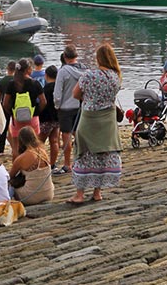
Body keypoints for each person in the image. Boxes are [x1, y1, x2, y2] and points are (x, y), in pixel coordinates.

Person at [68, 43, 123, 203]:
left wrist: (90, 99)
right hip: (107, 121)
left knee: (83, 154)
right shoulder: (116, 77)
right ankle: (97, 192)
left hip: (89, 119)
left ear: (98, 58)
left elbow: (75, 94)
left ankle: (79, 194)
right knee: (102, 155)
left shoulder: (88, 75)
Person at [2, 58, 47, 158]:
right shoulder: (35, 83)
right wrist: (36, 112)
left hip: (17, 118)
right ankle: (35, 167)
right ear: (27, 70)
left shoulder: (12, 84)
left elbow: (5, 103)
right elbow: (43, 101)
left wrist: (12, 113)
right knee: (35, 146)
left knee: (16, 147)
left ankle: (17, 170)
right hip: (32, 117)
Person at [54, 44, 85, 174]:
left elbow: (57, 92)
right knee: (79, 134)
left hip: (65, 107)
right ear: (76, 56)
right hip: (79, 106)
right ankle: (81, 160)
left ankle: (67, 163)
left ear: (65, 56)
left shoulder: (62, 71)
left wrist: (57, 105)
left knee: (66, 135)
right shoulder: (84, 70)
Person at [10, 126, 55, 206]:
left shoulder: (21, 158)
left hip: (30, 197)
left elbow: (10, 176)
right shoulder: (43, 152)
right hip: (48, 193)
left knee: (10, 185)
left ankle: (7, 203)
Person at [38, 65, 61, 168]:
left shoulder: (45, 89)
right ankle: (52, 163)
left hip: (46, 118)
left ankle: (41, 162)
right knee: (54, 140)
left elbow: (42, 102)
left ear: (46, 76)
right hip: (57, 117)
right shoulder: (59, 88)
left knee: (39, 142)